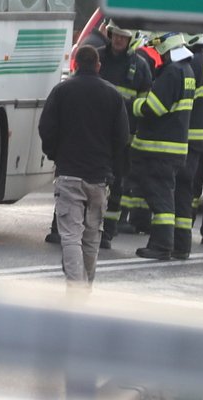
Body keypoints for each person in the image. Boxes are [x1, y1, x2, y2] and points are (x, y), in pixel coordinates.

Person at [38, 45, 130, 286]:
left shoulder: (61, 92)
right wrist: (110, 164)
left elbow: (46, 129)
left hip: (69, 174)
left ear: (76, 64)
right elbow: (122, 137)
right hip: (98, 178)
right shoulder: (112, 95)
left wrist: (55, 153)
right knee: (91, 238)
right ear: (98, 65)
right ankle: (85, 286)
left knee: (70, 236)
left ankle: (76, 287)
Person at [129, 32, 195, 260]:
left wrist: (134, 104)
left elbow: (154, 108)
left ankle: (161, 246)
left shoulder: (171, 72)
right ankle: (176, 245)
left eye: (160, 50)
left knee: (160, 199)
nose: (158, 55)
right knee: (167, 196)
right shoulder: (187, 70)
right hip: (174, 149)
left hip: (160, 150)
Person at [97, 22, 152, 249]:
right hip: (96, 134)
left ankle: (108, 231)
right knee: (91, 182)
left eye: (123, 37)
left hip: (125, 138)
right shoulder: (98, 58)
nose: (118, 40)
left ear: (130, 40)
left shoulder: (140, 66)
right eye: (115, 35)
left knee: (117, 185)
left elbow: (146, 104)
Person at [172, 34, 203, 258]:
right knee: (186, 191)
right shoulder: (202, 63)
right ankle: (182, 244)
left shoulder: (193, 64)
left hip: (188, 138)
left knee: (181, 190)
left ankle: (180, 245)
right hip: (196, 139)